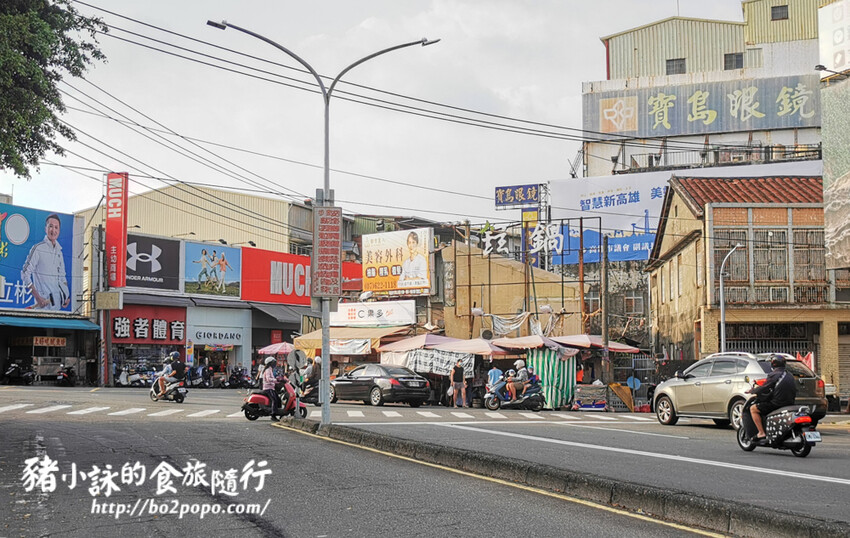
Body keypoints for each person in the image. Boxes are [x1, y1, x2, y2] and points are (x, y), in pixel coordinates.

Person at [21, 213, 70, 310]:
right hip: (42, 309)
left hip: (57, 309)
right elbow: (24, 274)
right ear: (45, 228)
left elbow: (62, 277)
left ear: (59, 230)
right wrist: (38, 297)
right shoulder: (38, 249)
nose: (53, 230)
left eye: (56, 227)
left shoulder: (59, 252)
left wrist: (66, 296)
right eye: (50, 226)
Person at [748, 355, 797, 442]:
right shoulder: (790, 375)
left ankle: (761, 433)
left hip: (777, 404)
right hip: (790, 403)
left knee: (753, 409)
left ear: (773, 364)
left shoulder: (774, 374)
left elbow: (765, 387)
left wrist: (753, 391)